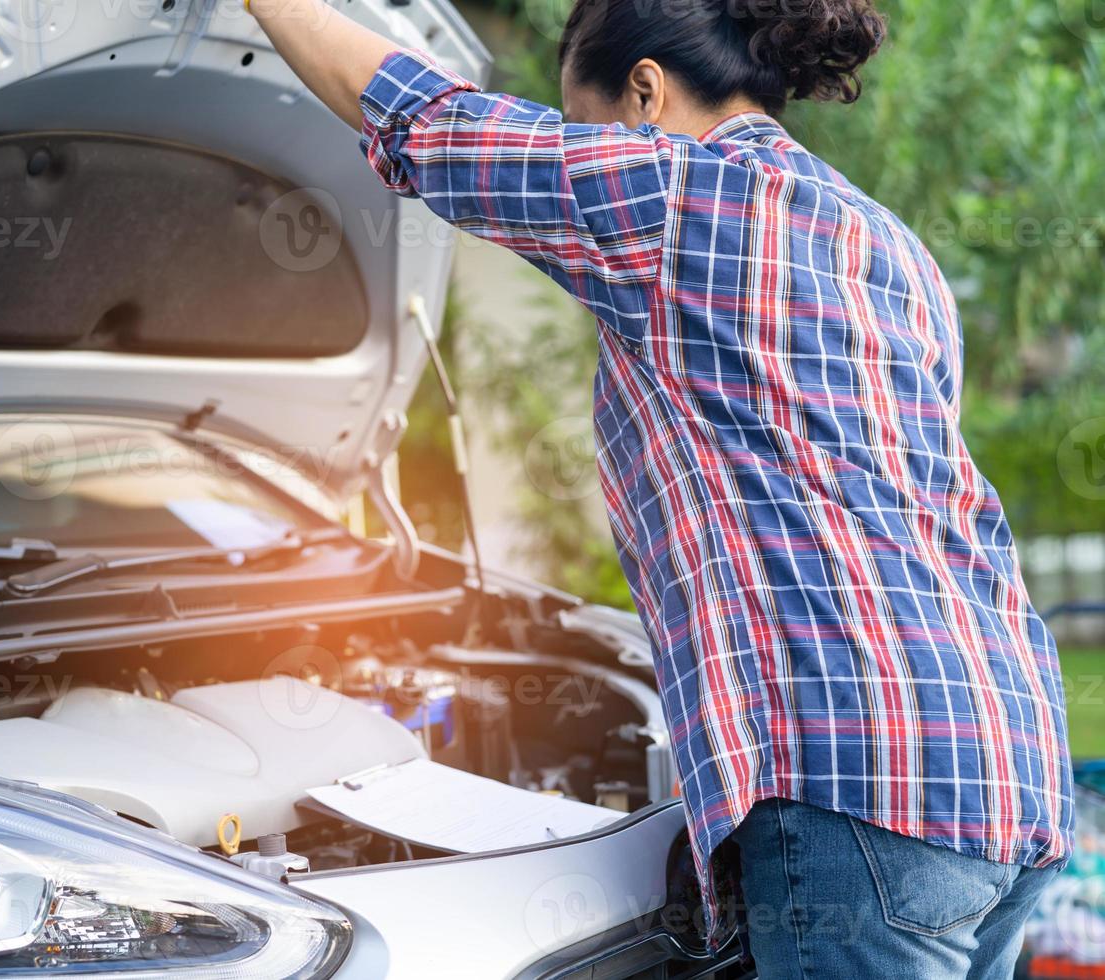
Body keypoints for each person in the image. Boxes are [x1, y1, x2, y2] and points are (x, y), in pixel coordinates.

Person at [246, 0, 1076, 975]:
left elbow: (426, 120)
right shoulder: (887, 244)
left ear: (645, 91)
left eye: (578, 123)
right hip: (1008, 753)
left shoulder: (671, 194)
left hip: (863, 782)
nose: (579, 154)